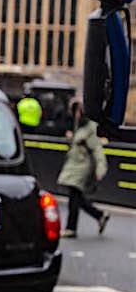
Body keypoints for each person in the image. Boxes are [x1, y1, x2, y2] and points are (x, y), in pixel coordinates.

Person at [57, 99, 110, 238]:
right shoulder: (78, 127)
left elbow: (97, 150)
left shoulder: (90, 128)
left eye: (80, 110)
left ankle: (71, 228)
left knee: (74, 197)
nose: (77, 114)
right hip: (74, 164)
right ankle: (99, 215)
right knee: (77, 197)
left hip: (82, 166)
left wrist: (100, 168)